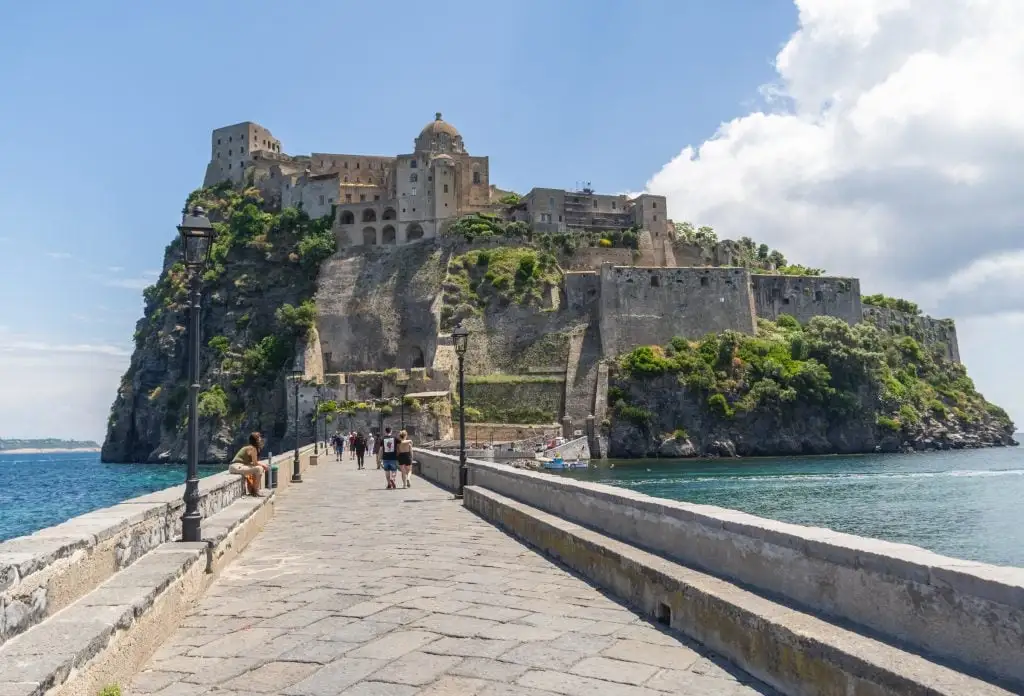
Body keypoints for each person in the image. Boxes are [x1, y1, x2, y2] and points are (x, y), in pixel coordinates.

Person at [228, 432, 268, 496]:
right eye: (259, 438)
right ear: (256, 440)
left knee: (258, 468)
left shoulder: (250, 447)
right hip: (236, 466)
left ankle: (253, 490)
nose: (261, 439)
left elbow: (252, 463)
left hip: (235, 466)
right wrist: (263, 466)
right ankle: (256, 491)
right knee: (259, 469)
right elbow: (255, 463)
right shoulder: (253, 448)